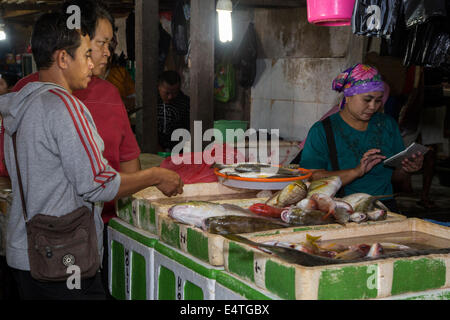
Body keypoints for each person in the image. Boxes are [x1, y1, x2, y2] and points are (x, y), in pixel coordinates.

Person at [0, 12, 182, 300]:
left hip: (25, 254)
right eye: (86, 55)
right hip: (62, 260)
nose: (92, 63)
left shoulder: (24, 103)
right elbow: (99, 184)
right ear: (62, 59)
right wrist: (156, 175)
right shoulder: (64, 107)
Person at [300, 64, 424, 211]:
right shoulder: (322, 130)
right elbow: (311, 177)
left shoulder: (387, 125)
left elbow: (394, 176)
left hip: (385, 206)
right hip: (342, 208)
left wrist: (408, 169)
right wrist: (356, 171)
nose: (373, 106)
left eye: (378, 100)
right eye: (367, 99)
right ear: (348, 95)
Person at [157, 70, 190, 152]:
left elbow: (188, 130)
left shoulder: (185, 103)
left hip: (179, 149)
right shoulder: (151, 100)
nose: (170, 97)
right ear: (159, 87)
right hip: (155, 147)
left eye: (175, 93)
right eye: (167, 93)